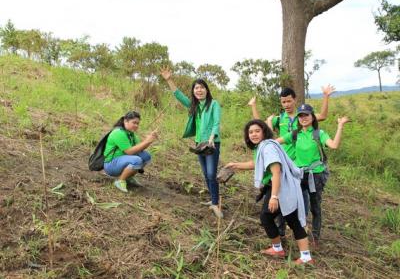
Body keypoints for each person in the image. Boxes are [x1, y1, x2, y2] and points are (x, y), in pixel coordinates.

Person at [248, 86, 335, 237]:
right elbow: (260, 124)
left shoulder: (302, 118)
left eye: (289, 101)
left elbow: (322, 115)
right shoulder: (280, 119)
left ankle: (303, 226)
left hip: (298, 165)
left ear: (295, 100)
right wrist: (254, 106)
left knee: (304, 198)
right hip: (282, 163)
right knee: (283, 195)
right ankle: (282, 229)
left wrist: (326, 96)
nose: (286, 104)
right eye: (283, 102)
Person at [226, 120, 313, 265]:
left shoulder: (267, 148)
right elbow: (257, 163)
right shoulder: (263, 147)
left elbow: (276, 172)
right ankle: (281, 249)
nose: (253, 134)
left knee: (285, 219)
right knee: (274, 218)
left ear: (264, 131)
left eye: (257, 131)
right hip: (279, 187)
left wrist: (274, 197)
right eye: (251, 132)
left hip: (281, 188)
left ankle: (303, 256)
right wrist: (236, 165)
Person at [276, 104, 350, 245]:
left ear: (312, 117)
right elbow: (277, 142)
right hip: (298, 175)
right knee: (290, 203)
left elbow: (334, 145)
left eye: (306, 115)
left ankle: (315, 237)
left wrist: (340, 126)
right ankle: (287, 233)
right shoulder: (295, 134)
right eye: (301, 116)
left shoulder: (318, 133)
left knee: (315, 206)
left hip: (315, 176)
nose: (303, 118)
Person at [160, 66, 223, 218]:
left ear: (206, 90)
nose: (199, 90)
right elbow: (179, 96)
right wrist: (169, 80)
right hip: (198, 144)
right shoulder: (194, 106)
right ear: (193, 91)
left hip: (212, 144)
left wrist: (211, 138)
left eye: (201, 88)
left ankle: (216, 204)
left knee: (211, 173)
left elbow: (216, 122)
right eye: (196, 88)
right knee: (205, 173)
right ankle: (213, 199)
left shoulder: (213, 104)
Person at [103, 111, 158, 193]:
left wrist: (149, 140)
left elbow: (140, 149)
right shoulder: (118, 133)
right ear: (126, 121)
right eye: (134, 123)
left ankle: (128, 177)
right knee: (137, 160)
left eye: (138, 124)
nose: (136, 125)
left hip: (121, 161)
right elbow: (129, 152)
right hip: (111, 165)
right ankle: (120, 181)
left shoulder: (131, 134)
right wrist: (146, 141)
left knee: (146, 156)